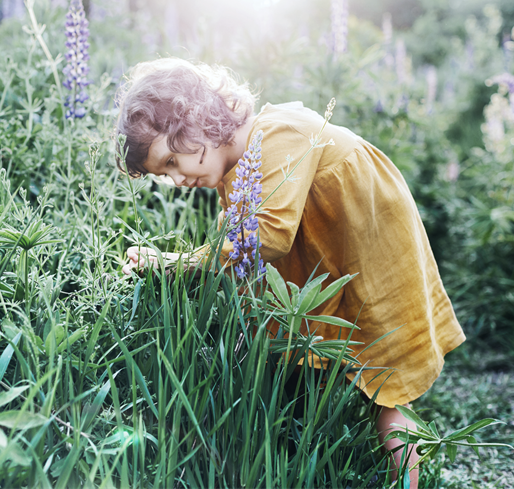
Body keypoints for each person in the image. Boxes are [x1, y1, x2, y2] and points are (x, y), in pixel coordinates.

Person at [114, 57, 466, 486]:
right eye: (163, 174)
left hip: (372, 238)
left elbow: (269, 236)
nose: (177, 178)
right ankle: (304, 452)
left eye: (171, 160)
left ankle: (409, 481)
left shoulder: (278, 131)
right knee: (292, 347)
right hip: (329, 246)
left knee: (387, 375)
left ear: (197, 119)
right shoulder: (231, 169)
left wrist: (182, 263)